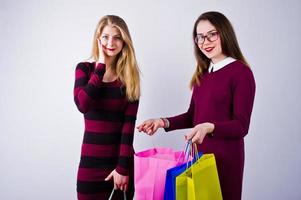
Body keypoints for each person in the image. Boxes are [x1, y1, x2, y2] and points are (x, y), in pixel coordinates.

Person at [137, 11, 255, 200]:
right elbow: (193, 116)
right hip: (199, 157)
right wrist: (162, 122)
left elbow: (241, 126)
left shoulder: (241, 73)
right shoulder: (203, 74)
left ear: (224, 33)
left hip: (226, 160)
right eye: (200, 37)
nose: (205, 42)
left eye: (211, 34)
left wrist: (209, 127)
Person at [74, 15, 140, 199]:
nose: (111, 42)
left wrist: (122, 168)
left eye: (117, 37)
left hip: (120, 165)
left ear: (124, 41)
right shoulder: (84, 70)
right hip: (90, 165)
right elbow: (82, 104)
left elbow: (128, 128)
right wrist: (100, 67)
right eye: (105, 36)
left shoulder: (129, 78)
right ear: (98, 38)